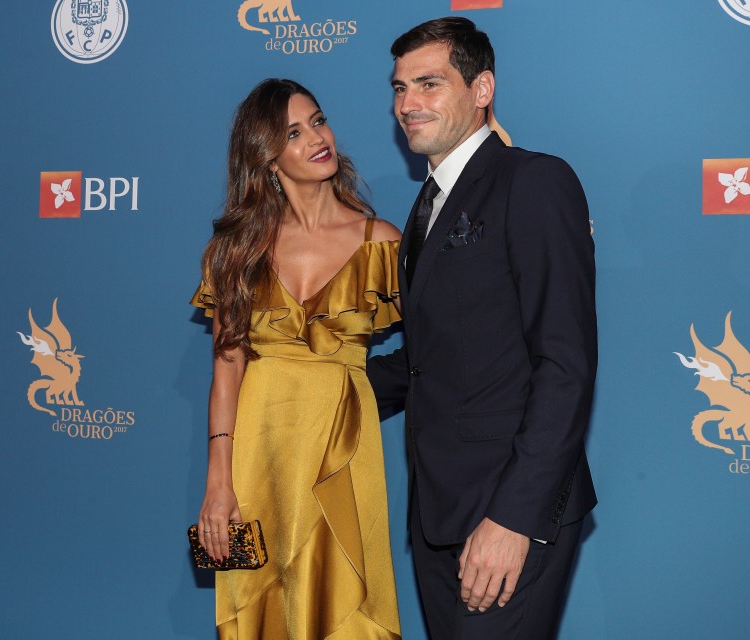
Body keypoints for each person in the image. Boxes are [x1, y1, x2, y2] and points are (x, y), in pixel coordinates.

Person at [367, 17, 598, 640]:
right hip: (439, 511)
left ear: (482, 88)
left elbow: (565, 365)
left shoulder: (533, 181)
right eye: (398, 88)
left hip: (508, 510)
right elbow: (430, 362)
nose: (407, 104)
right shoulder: (428, 203)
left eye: (428, 84)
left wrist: (512, 520)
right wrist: (309, 378)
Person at [190, 78, 403, 639]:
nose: (317, 137)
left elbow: (441, 351)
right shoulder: (235, 253)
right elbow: (226, 368)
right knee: (269, 608)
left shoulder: (381, 243)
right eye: (293, 132)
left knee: (346, 607)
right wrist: (218, 485)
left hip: (343, 446)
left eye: (318, 120)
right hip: (260, 452)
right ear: (267, 158)